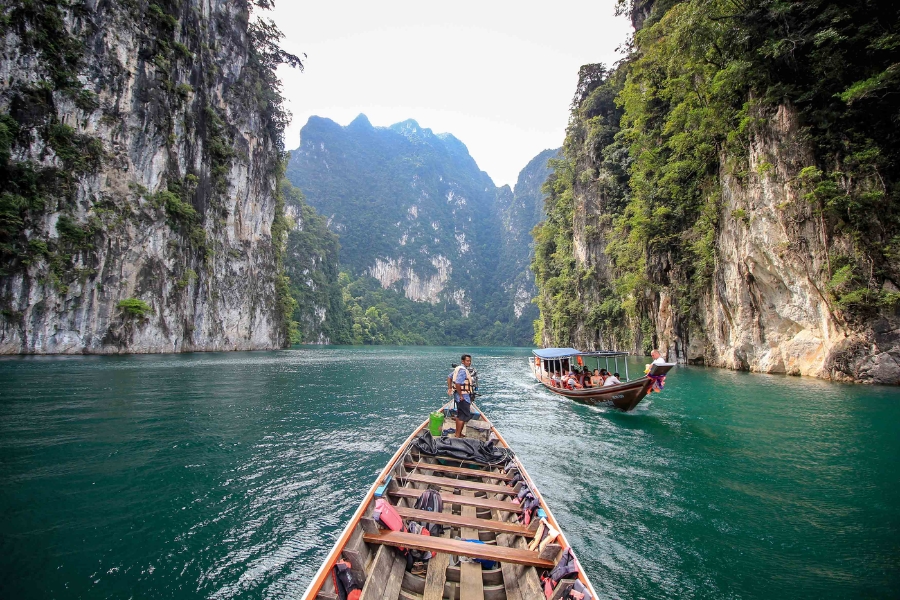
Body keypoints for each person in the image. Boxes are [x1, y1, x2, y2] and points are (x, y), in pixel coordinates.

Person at [447, 354, 475, 438]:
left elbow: (449, 377)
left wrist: (450, 388)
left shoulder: (458, 368)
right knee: (462, 417)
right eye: (467, 361)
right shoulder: (463, 371)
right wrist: (461, 395)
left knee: (460, 415)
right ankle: (457, 435)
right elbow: (458, 383)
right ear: (462, 361)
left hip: (458, 396)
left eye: (470, 361)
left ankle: (459, 433)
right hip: (463, 397)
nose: (469, 362)